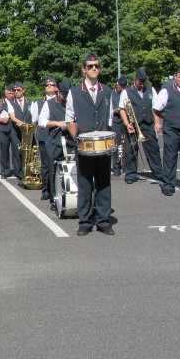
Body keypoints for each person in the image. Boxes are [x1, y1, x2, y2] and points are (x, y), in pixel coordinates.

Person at [65, 52, 114, 236]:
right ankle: (85, 221)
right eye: (90, 66)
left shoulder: (107, 91)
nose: (94, 69)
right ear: (84, 69)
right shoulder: (75, 92)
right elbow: (69, 119)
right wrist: (77, 137)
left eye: (97, 66)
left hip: (103, 146)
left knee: (104, 183)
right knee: (85, 184)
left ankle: (103, 221)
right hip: (84, 145)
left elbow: (109, 120)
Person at [153, 66, 180, 196]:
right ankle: (168, 185)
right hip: (172, 129)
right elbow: (156, 109)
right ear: (175, 76)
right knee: (170, 157)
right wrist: (160, 121)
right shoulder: (166, 92)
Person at [117, 69, 162, 184]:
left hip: (148, 124)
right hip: (133, 124)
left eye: (143, 82)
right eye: (140, 82)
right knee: (130, 150)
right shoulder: (126, 92)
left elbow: (155, 108)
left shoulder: (151, 90)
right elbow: (122, 109)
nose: (142, 84)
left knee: (153, 149)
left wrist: (157, 122)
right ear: (135, 80)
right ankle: (131, 174)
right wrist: (127, 124)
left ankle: (158, 173)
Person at [36, 78, 74, 211]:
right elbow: (41, 121)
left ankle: (71, 197)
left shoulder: (73, 101)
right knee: (53, 170)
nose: (65, 97)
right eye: (63, 94)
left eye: (67, 95)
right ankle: (54, 199)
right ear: (58, 91)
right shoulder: (50, 103)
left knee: (72, 170)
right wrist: (57, 123)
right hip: (55, 141)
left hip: (70, 141)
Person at [0, 85, 19, 180]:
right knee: (4, 151)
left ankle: (17, 170)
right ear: (5, 93)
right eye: (9, 93)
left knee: (16, 150)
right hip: (4, 128)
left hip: (15, 128)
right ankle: (5, 171)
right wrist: (1, 120)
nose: (11, 95)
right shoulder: (0, 103)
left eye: (12, 93)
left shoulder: (16, 102)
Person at [110, 76, 128, 176]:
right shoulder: (111, 94)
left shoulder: (126, 93)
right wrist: (115, 111)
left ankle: (126, 166)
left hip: (124, 120)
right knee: (115, 145)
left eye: (123, 86)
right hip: (115, 120)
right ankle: (116, 167)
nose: (121, 88)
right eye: (120, 86)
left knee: (126, 144)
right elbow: (109, 110)